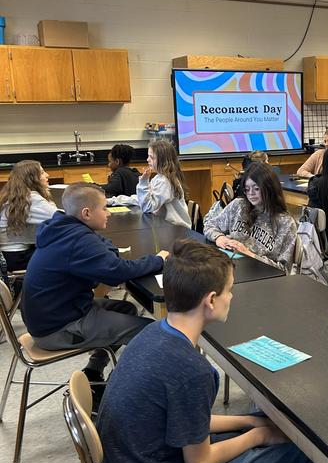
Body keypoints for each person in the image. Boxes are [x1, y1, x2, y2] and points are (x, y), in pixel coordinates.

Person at [97, 239, 328, 463]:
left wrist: (248, 421)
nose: (232, 298)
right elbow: (198, 462)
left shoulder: (154, 335)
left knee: (262, 432)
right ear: (210, 300)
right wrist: (256, 435)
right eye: (229, 292)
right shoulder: (194, 371)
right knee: (300, 461)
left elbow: (187, 420)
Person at [21, 183, 166, 390]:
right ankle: (119, 390)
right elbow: (117, 272)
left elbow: (106, 247)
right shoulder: (78, 240)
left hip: (50, 317)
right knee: (150, 331)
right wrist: (158, 260)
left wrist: (106, 251)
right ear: (87, 213)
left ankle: (93, 372)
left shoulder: (64, 228)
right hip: (58, 328)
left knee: (127, 309)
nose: (108, 213)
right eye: (104, 208)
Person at [204, 162, 297, 271]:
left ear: (269, 189)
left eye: (256, 189)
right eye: (247, 189)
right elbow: (209, 225)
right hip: (232, 268)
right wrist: (219, 237)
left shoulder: (285, 223)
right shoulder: (239, 205)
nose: (251, 194)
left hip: (262, 277)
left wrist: (249, 254)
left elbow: (284, 269)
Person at [0, 160, 57, 272]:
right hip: (18, 258)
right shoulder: (31, 198)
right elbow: (60, 217)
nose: (47, 175)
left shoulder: (11, 196)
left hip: (7, 256)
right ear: (32, 178)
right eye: (42, 172)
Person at [137, 139, 191, 227]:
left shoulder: (164, 182)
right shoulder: (159, 178)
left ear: (162, 160)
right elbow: (142, 199)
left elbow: (147, 207)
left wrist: (143, 182)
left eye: (152, 157)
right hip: (168, 227)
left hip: (176, 231)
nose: (147, 160)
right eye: (148, 156)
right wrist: (113, 201)